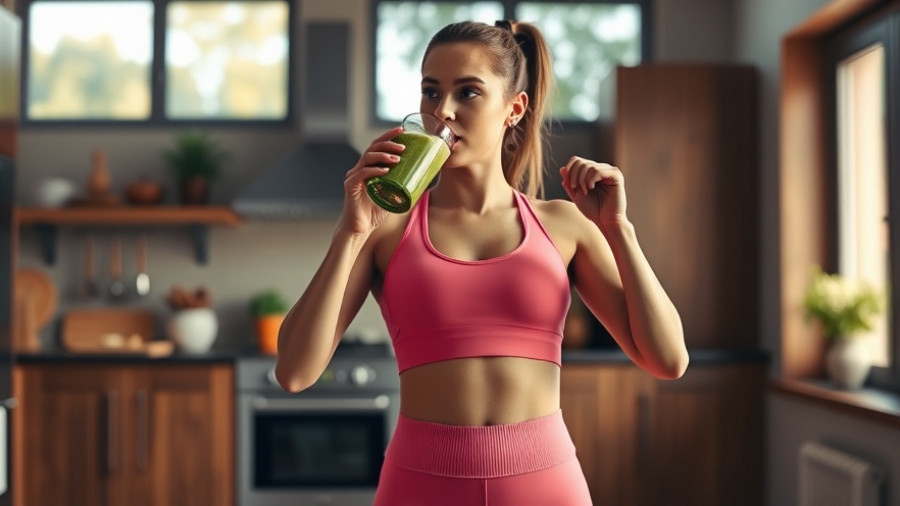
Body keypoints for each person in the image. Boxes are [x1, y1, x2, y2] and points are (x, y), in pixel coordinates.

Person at [275, 19, 688, 506]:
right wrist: (350, 232)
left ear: (514, 108)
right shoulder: (384, 227)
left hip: (545, 483)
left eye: (467, 93)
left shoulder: (565, 225)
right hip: (419, 485)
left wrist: (619, 230)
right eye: (431, 92)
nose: (442, 111)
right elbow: (294, 373)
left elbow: (668, 360)